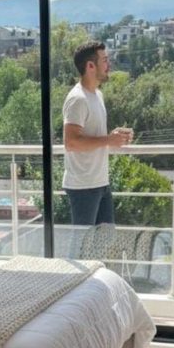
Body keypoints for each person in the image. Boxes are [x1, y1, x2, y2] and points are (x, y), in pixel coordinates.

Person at [62, 41, 133, 228]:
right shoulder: (77, 99)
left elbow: (93, 136)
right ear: (90, 66)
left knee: (105, 239)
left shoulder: (97, 95)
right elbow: (71, 142)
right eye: (105, 60)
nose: (109, 65)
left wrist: (113, 136)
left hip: (100, 182)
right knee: (81, 242)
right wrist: (108, 140)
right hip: (83, 186)